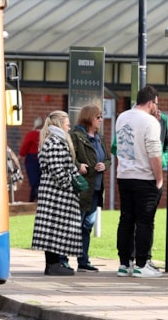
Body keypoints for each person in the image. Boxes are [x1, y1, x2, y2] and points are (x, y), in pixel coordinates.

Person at [114, 86, 165, 278]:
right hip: (144, 177)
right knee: (145, 222)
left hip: (124, 175)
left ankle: (124, 263)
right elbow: (154, 153)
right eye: (156, 104)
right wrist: (159, 178)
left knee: (126, 219)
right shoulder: (150, 122)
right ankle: (141, 264)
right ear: (151, 103)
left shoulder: (122, 117)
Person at [30, 111, 83, 276]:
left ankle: (54, 264)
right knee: (53, 229)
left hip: (54, 193)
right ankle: (53, 265)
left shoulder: (54, 140)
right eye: (67, 123)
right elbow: (57, 169)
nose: (69, 126)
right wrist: (70, 185)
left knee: (53, 228)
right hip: (56, 193)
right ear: (59, 123)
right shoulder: (54, 142)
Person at [69, 104, 108, 272]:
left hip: (96, 188)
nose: (100, 120)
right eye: (97, 117)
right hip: (83, 187)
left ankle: (83, 260)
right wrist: (78, 165)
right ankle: (64, 259)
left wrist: (104, 165)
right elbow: (69, 156)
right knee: (75, 224)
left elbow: (108, 158)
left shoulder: (100, 138)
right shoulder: (76, 136)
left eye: (101, 117)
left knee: (87, 226)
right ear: (88, 118)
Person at [19, 118, 43, 201]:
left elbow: (25, 148)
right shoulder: (46, 134)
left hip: (32, 160)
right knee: (40, 182)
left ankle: (33, 201)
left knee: (34, 183)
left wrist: (20, 155)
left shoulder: (31, 134)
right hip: (43, 159)